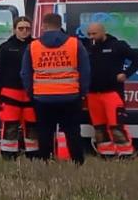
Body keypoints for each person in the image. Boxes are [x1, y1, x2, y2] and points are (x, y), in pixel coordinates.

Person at [21, 13, 90, 166]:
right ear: (60, 25)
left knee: (45, 132)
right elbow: (85, 72)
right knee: (72, 132)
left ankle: (45, 161)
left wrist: (32, 93)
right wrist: (82, 93)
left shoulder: (33, 46)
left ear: (44, 26)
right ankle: (78, 163)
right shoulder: (75, 44)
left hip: (42, 97)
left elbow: (25, 73)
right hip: (70, 96)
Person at [84, 22, 138, 157]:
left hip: (112, 93)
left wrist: (126, 74)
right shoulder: (87, 47)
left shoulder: (117, 45)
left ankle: (126, 154)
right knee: (99, 127)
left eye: (94, 33)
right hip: (93, 93)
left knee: (116, 126)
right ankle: (107, 153)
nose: (91, 37)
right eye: (89, 34)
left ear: (103, 32)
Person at [0, 16, 38, 159]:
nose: (24, 31)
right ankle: (9, 155)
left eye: (27, 28)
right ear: (14, 29)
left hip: (30, 92)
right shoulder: (5, 47)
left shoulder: (36, 46)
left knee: (32, 124)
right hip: (10, 92)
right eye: (21, 28)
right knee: (10, 124)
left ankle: (34, 154)